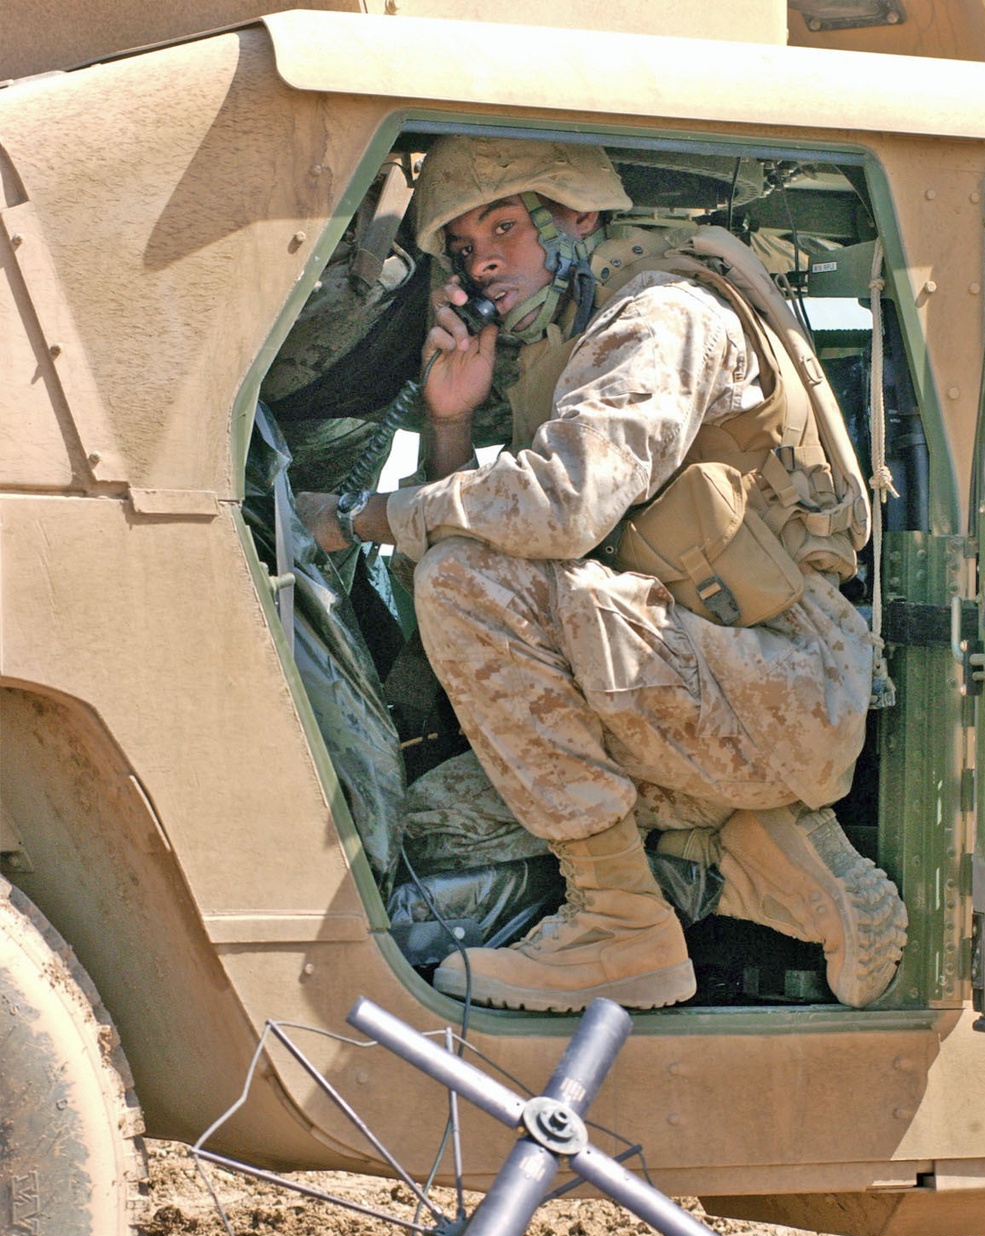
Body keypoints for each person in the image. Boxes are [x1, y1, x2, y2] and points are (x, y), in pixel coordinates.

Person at [297, 135, 907, 1014]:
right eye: (465, 249)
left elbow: (555, 510)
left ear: (577, 215)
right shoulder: (571, 342)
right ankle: (754, 860)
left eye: (505, 226)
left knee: (464, 581)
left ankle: (622, 922)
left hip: (783, 684)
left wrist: (360, 518)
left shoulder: (662, 317)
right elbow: (504, 517)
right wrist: (450, 422)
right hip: (689, 685)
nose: (485, 261)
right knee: (436, 834)